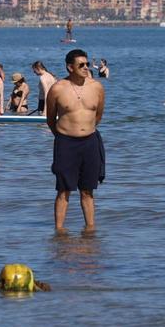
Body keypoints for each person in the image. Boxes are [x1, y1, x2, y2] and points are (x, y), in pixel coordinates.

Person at [46, 49, 105, 232]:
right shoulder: (57, 88)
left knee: (88, 190)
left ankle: (90, 230)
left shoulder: (96, 87)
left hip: (90, 142)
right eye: (82, 65)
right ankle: (59, 231)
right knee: (63, 190)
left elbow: (98, 115)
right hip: (66, 142)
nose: (86, 67)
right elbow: (50, 119)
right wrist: (64, 137)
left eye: (87, 64)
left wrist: (86, 131)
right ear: (70, 67)